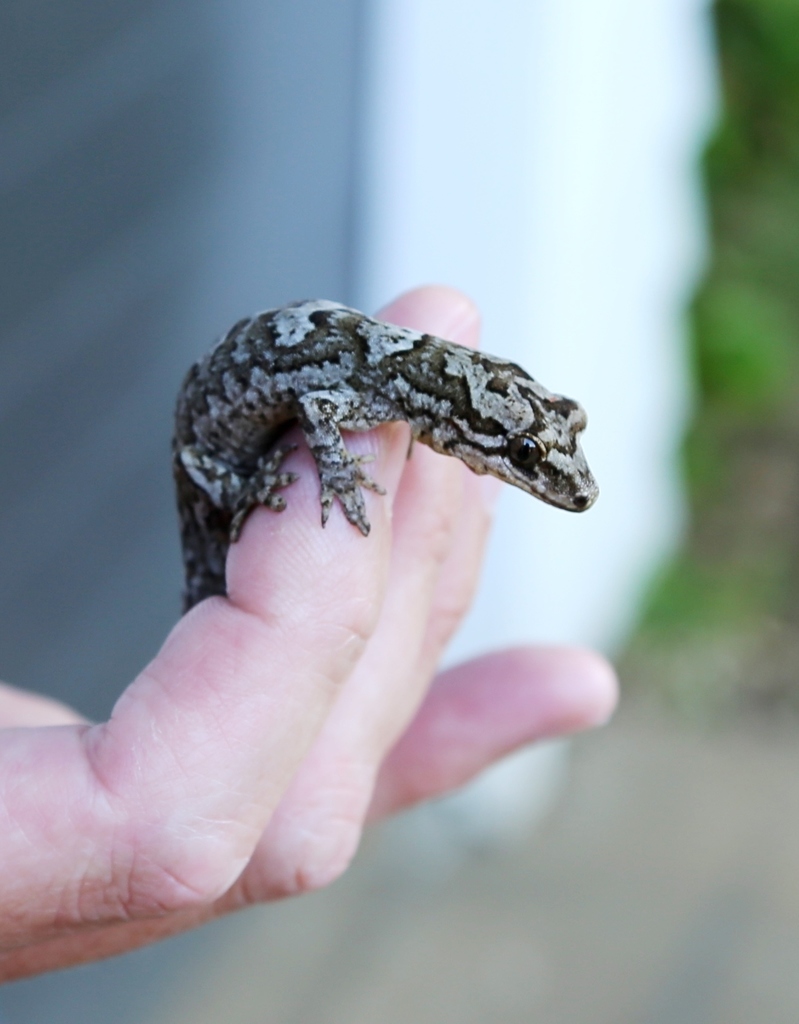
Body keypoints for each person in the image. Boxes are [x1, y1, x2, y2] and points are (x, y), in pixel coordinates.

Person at [0, 286, 617, 980]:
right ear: (452, 422)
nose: (562, 479)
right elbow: (322, 408)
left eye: (554, 435)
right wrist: (329, 470)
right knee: (242, 564)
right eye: (527, 453)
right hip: (212, 460)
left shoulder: (391, 393)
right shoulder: (372, 395)